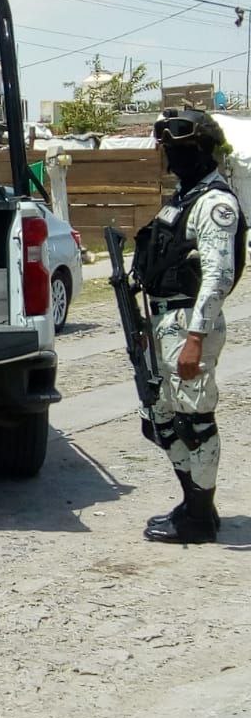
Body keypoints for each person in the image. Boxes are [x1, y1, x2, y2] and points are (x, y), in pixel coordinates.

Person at [134, 108, 246, 544]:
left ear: (203, 151)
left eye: (180, 149)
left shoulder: (215, 203)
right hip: (163, 320)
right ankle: (194, 502)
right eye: (168, 149)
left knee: (194, 420)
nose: (172, 157)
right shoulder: (184, 199)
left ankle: (199, 517)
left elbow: (218, 277)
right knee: (160, 416)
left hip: (189, 323)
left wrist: (195, 339)